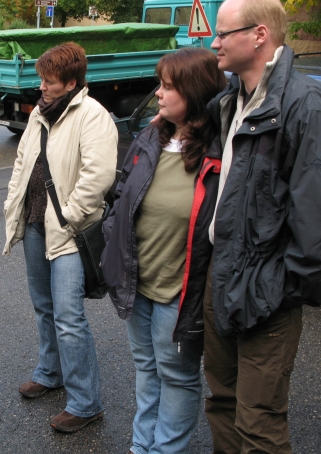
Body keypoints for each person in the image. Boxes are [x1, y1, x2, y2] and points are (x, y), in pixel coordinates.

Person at [204, 0, 321, 453]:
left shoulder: (309, 105)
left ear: (259, 35)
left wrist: (279, 285)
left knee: (258, 423)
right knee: (222, 402)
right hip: (222, 274)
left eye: (223, 33)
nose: (214, 43)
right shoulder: (231, 101)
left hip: (266, 288)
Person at [100, 48, 226, 453]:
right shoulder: (150, 137)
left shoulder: (221, 150)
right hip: (137, 282)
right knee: (146, 368)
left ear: (195, 92)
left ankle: (165, 450)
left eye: (168, 86)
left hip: (180, 291)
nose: (157, 93)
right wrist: (112, 235)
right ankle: (142, 447)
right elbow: (121, 194)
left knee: (176, 374)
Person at [3, 42, 117, 433]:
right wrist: (14, 202)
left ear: (71, 83)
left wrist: (68, 218)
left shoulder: (92, 116)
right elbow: (22, 162)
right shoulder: (40, 113)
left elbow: (98, 177)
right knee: (44, 305)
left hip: (69, 231)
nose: (42, 87)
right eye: (42, 79)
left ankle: (86, 403)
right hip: (35, 223)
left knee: (69, 316)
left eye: (49, 81)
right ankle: (50, 372)